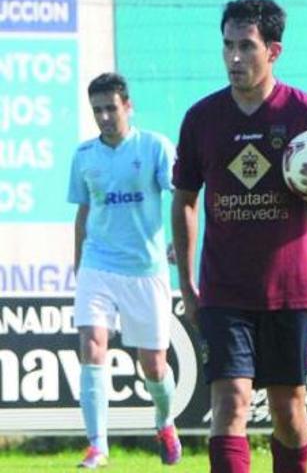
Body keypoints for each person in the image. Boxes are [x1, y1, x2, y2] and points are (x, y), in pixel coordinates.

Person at [171, 0, 307, 473]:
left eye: (246, 46)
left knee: (288, 412)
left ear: (274, 51)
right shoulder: (202, 119)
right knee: (231, 402)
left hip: (291, 289)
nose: (234, 57)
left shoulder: (306, 113)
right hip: (224, 290)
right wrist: (187, 284)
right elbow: (183, 200)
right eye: (227, 46)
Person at [68, 72, 181, 468]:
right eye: (96, 110)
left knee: (154, 365)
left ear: (128, 106)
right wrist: (79, 267)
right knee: (92, 344)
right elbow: (84, 213)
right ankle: (98, 445)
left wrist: (178, 243)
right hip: (98, 265)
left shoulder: (154, 147)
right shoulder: (84, 156)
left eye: (110, 108)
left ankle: (164, 422)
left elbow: (182, 195)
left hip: (146, 269)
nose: (103, 116)